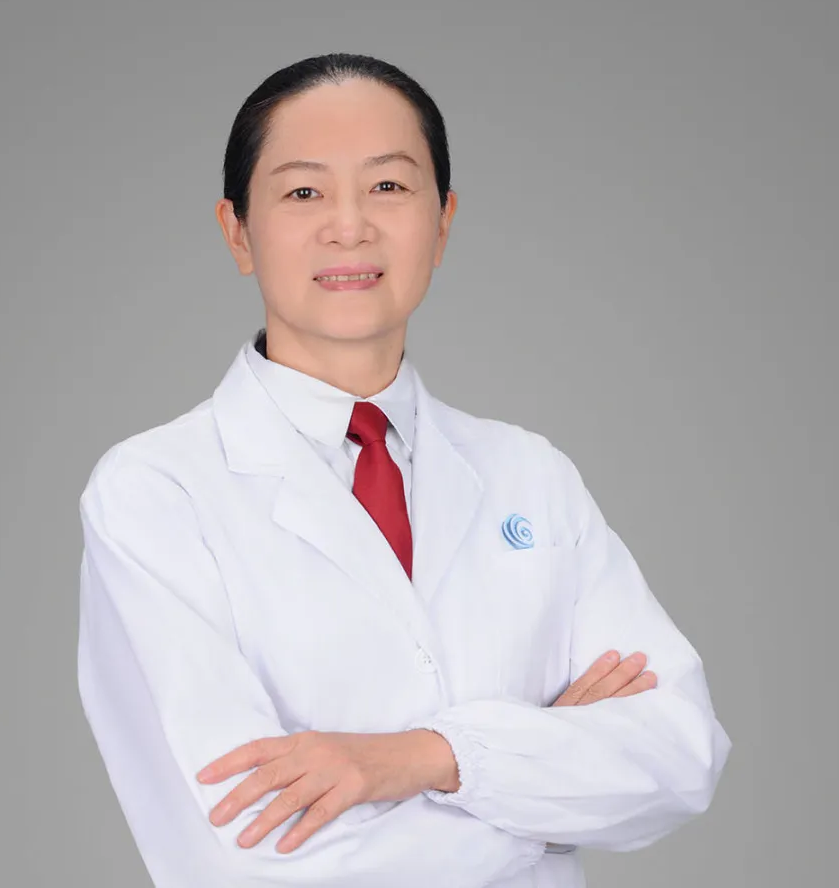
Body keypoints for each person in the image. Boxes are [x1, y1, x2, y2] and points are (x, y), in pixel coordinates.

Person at [76, 52, 731, 888]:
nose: (349, 227)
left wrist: (426, 759)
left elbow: (680, 755)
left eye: (388, 186)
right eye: (303, 192)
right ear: (238, 231)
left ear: (443, 222)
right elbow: (250, 854)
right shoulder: (155, 493)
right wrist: (543, 807)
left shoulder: (530, 475)